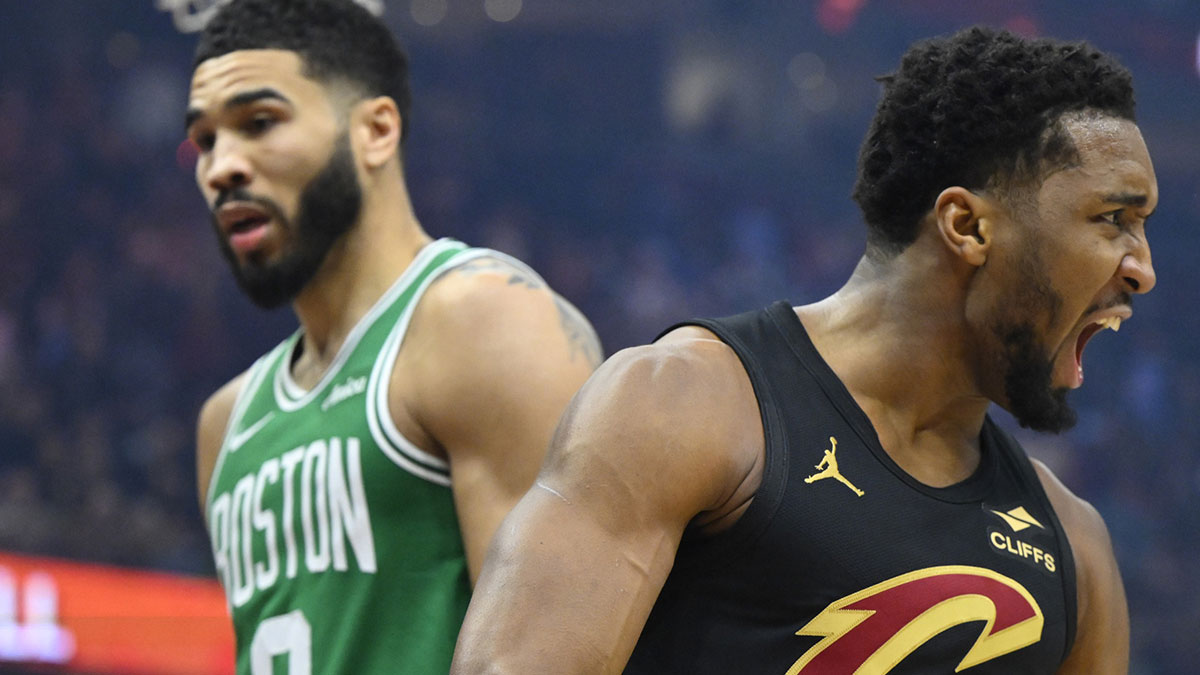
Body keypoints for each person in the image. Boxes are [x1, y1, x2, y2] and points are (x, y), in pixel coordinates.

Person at [451, 26, 1154, 674]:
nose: (1142, 267)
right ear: (966, 225)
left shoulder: (1076, 550)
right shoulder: (680, 406)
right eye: (1114, 219)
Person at [185, 1, 601, 672]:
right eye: (205, 140)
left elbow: (564, 654)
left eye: (259, 123)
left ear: (375, 131)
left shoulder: (484, 321)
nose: (221, 167)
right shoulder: (225, 424)